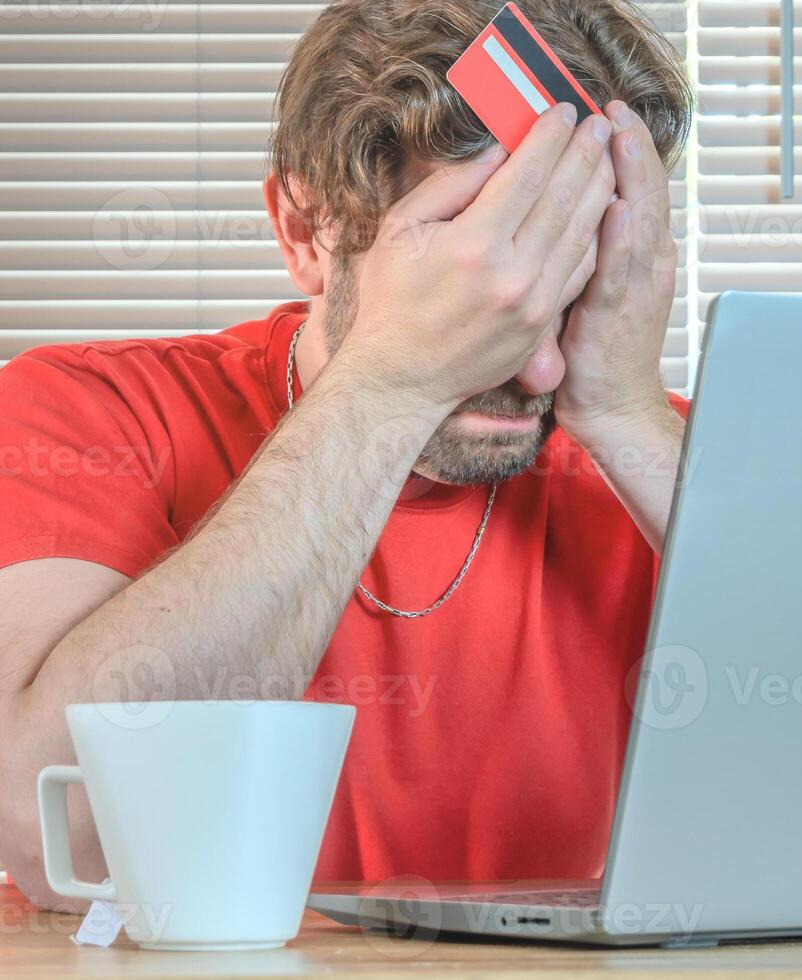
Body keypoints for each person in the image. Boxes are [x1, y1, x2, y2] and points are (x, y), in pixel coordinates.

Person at [0, 0, 692, 912]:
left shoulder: (654, 455)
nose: (537, 361)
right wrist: (390, 389)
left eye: (574, 275)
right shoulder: (94, 413)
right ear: (304, 230)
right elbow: (59, 837)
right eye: (479, 283)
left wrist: (629, 411)